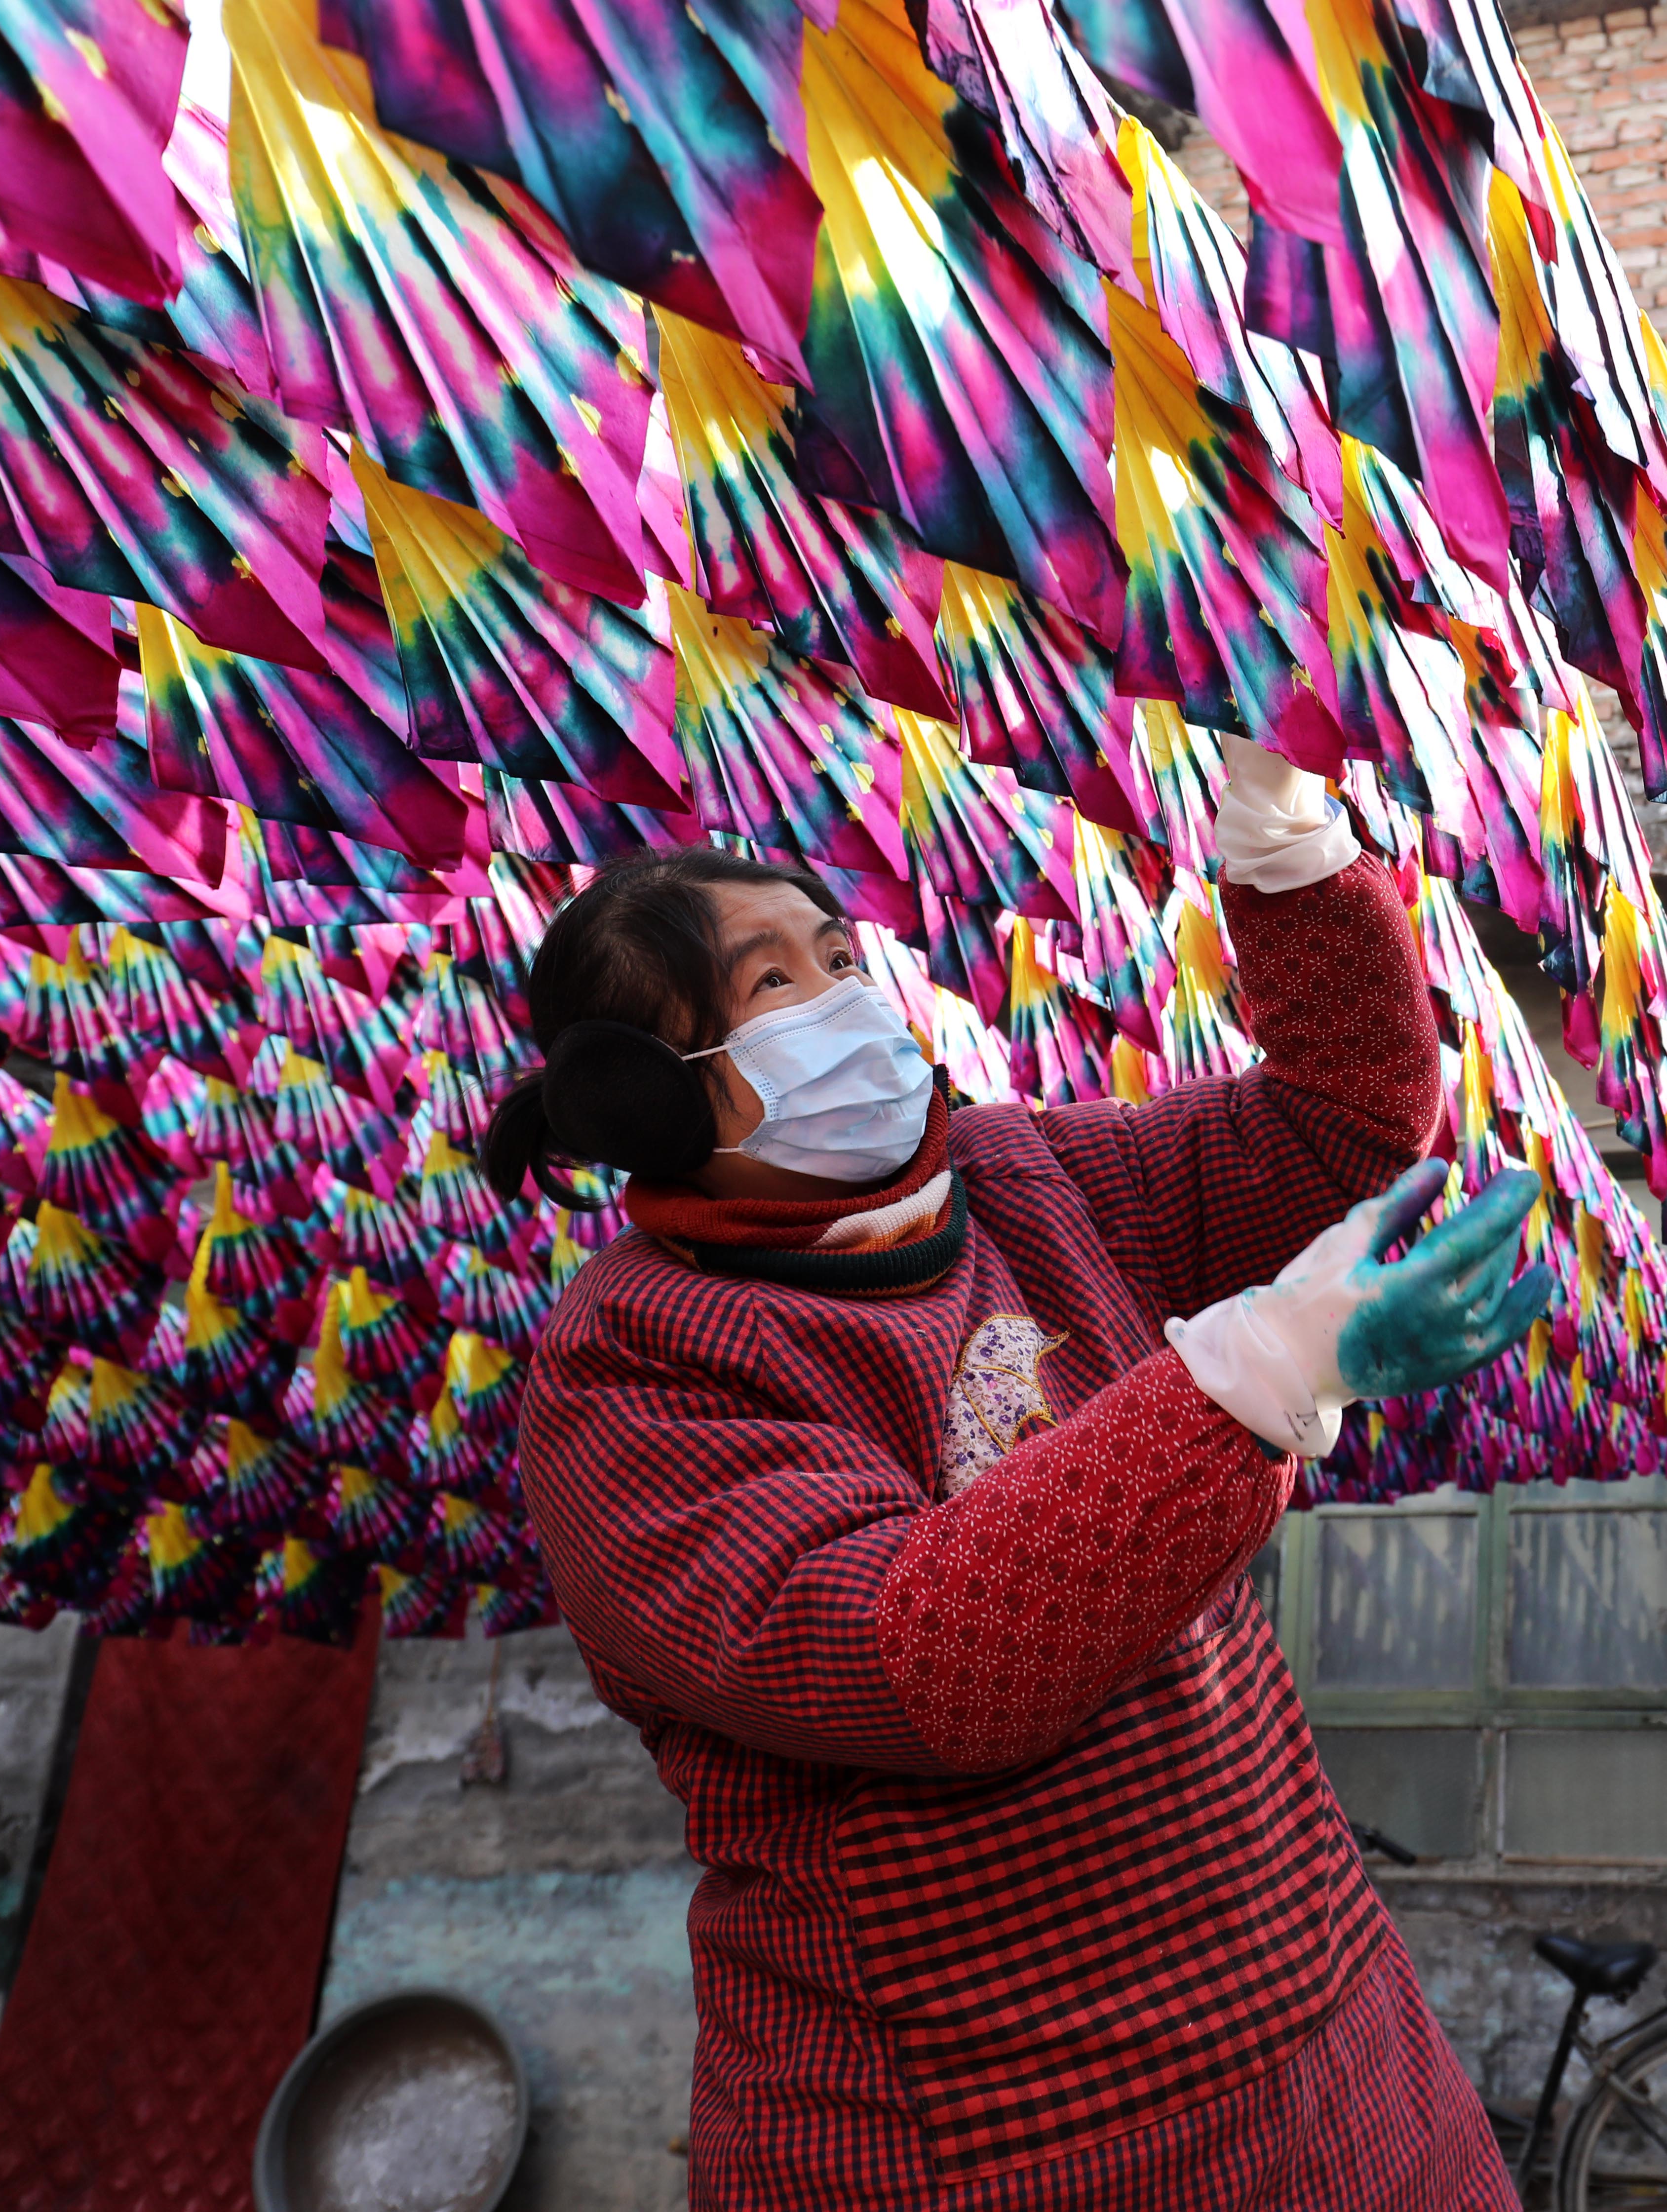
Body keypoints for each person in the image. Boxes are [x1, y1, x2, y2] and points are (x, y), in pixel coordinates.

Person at [488, 740, 1551, 2210]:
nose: (851, 1001)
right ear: (645, 1101)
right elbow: (926, 1657)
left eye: (842, 955)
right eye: (777, 986)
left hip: (1326, 2057)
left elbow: (1338, 1131)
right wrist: (1251, 1375)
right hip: (984, 2133)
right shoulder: (635, 1368)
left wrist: (1288, 844)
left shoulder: (1027, 1182)